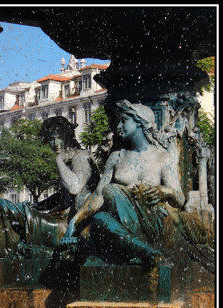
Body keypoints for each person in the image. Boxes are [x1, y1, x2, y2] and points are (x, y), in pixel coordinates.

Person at [60, 99, 214, 271]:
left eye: (125, 120)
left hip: (153, 220)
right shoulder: (116, 157)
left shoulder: (162, 158)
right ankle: (145, 251)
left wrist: (166, 191)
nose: (119, 125)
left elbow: (179, 199)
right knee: (99, 217)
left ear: (140, 122)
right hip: (123, 224)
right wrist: (74, 220)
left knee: (112, 190)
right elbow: (97, 196)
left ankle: (140, 248)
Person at [0, 116, 99, 259]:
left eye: (59, 137)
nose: (55, 144)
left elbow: (75, 187)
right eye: (51, 139)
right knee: (1, 208)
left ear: (67, 136)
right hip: (55, 220)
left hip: (66, 228)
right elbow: (61, 197)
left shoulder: (81, 157)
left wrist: (58, 161)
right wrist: (37, 205)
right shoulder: (67, 158)